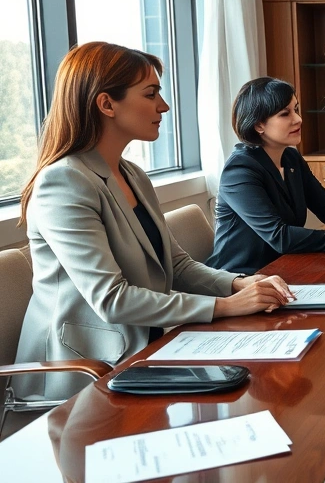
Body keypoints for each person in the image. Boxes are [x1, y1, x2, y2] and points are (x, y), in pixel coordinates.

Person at [15, 42, 294, 401]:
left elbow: (177, 265)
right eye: (151, 94)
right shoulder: (63, 182)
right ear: (106, 104)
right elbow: (112, 300)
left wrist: (240, 284)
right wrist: (225, 307)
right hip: (87, 373)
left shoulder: (132, 174)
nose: (163, 106)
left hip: (147, 351)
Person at [207, 77, 325, 274]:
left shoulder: (291, 157)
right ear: (259, 126)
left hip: (284, 268)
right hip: (242, 278)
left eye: (296, 109)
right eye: (285, 113)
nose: (298, 119)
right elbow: (280, 237)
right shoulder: (239, 170)